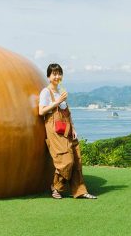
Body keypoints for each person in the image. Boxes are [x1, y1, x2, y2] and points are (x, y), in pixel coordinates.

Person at [39, 63, 97, 199]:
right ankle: (56, 187)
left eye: (59, 73)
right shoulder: (46, 92)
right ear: (48, 76)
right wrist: (57, 101)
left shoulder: (60, 92)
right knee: (66, 160)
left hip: (67, 129)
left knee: (76, 160)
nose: (57, 76)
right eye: (54, 74)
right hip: (55, 131)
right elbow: (41, 111)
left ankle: (81, 191)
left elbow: (67, 114)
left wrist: (74, 128)